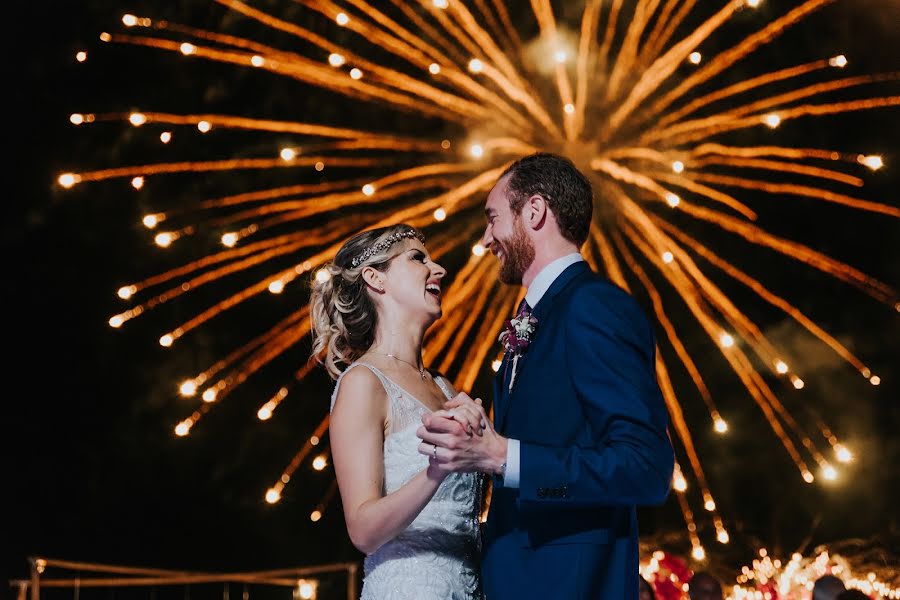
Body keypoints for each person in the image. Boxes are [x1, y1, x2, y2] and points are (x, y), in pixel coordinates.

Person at [417, 152, 675, 599]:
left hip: (570, 583)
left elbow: (646, 467)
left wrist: (503, 457)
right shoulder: (538, 317)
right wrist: (485, 437)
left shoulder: (591, 306)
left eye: (493, 218)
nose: (484, 240)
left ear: (533, 211)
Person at [311, 224, 486, 599]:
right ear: (375, 278)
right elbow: (362, 529)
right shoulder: (364, 382)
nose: (438, 270)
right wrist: (437, 469)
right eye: (418, 259)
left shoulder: (446, 389)